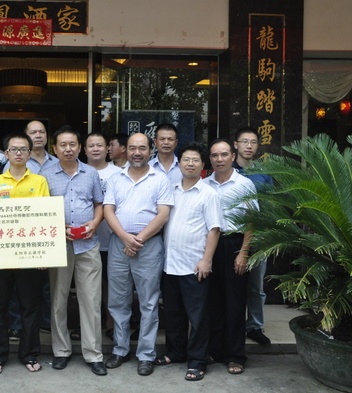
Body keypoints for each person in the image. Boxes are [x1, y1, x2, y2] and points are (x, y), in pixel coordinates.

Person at [103, 132, 173, 376]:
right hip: (118, 244)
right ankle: (120, 350)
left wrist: (138, 239)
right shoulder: (116, 178)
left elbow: (163, 214)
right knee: (118, 301)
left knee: (149, 302)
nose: (137, 153)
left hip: (149, 246)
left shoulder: (160, 179)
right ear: (126, 150)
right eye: (132, 148)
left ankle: (146, 355)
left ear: (150, 150)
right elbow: (108, 210)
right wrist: (125, 237)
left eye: (142, 148)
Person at [40, 126, 106, 376]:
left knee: (91, 301)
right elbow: (41, 211)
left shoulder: (91, 173)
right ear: (54, 149)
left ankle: (93, 354)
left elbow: (99, 204)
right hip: (59, 246)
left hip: (88, 244)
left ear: (80, 147)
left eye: (72, 144)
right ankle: (61, 351)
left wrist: (95, 223)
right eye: (62, 145)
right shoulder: (45, 175)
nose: (68, 149)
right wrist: (58, 227)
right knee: (58, 300)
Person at [0, 132, 50, 375]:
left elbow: (43, 216)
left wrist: (43, 255)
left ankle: (29, 354)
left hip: (29, 255)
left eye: (23, 149)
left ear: (30, 154)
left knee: (29, 307)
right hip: (1, 256)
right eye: (14, 149)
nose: (19, 153)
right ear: (6, 154)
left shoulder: (39, 181)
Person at [157, 143, 222, 381]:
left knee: (198, 318)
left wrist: (206, 260)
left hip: (194, 266)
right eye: (186, 159)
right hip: (170, 265)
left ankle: (197, 361)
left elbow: (214, 229)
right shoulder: (171, 190)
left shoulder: (208, 193)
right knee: (173, 314)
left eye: (195, 160)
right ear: (180, 163)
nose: (190, 164)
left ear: (203, 165)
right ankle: (175, 352)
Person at [203, 139, 259, 375]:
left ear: (233, 156)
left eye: (224, 154)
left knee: (234, 303)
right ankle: (215, 350)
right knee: (212, 301)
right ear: (210, 158)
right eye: (215, 155)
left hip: (235, 244)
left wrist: (244, 252)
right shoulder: (204, 184)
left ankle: (235, 355)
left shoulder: (244, 184)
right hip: (210, 246)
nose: (219, 159)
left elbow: (252, 221)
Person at [3, 120, 56, 340]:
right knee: (15, 286)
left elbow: (45, 208)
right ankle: (16, 325)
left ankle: (44, 323)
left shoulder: (52, 166)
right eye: (33, 132)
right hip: (9, 237)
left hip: (36, 236)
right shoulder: (4, 173)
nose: (38, 135)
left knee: (42, 284)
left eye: (42, 131)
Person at [233, 127, 274, 346]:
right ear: (235, 144)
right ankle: (233, 325)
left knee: (256, 285)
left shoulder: (264, 173)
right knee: (232, 284)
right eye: (244, 141)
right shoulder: (225, 169)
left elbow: (271, 205)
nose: (249, 146)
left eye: (253, 142)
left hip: (258, 237)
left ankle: (255, 326)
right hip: (230, 236)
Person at [84, 132, 121, 340]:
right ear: (84, 149)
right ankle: (88, 326)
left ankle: (110, 323)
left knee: (111, 285)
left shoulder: (119, 173)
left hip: (111, 240)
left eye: (100, 145)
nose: (95, 149)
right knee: (88, 287)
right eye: (91, 145)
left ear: (107, 148)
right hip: (84, 241)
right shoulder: (79, 170)